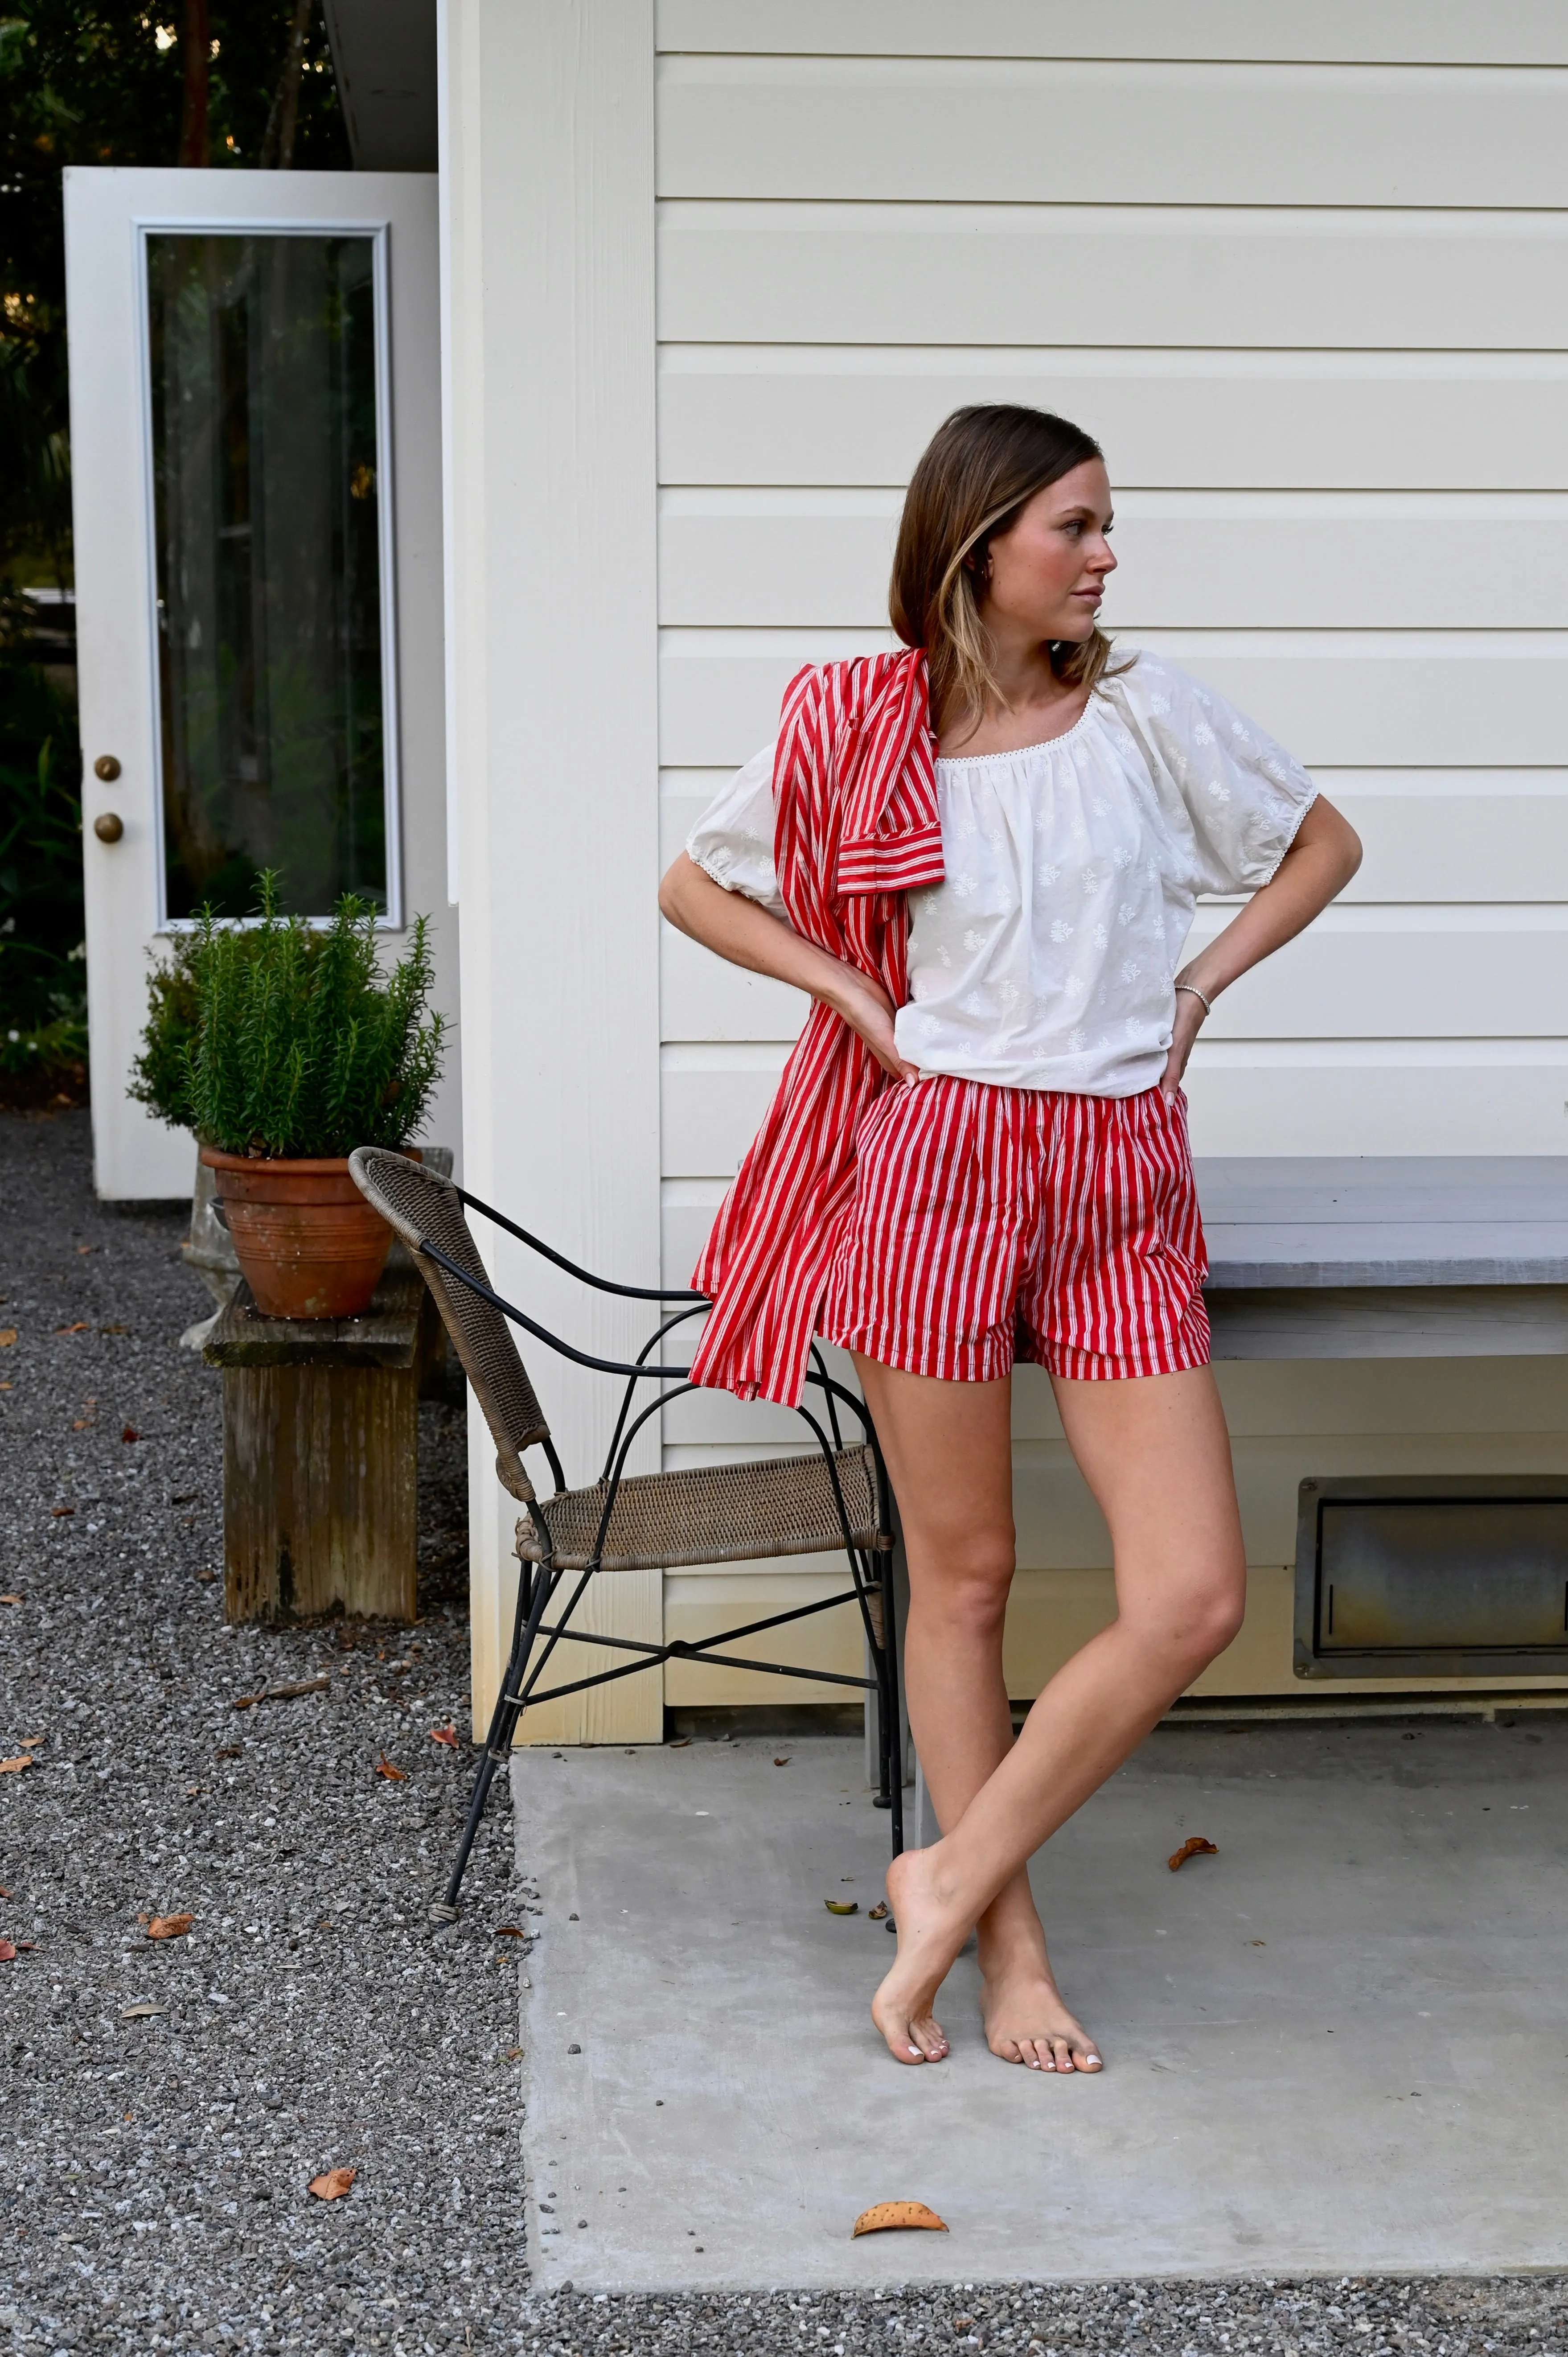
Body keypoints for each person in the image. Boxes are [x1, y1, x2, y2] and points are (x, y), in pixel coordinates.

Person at [658, 404, 1361, 2075]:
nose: (1107, 555)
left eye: (1106, 526)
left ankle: (945, 1869)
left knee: (1187, 1591)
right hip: (939, 1160)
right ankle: (1007, 1950)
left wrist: (1198, 982)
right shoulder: (862, 720)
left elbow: (1323, 841)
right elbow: (695, 884)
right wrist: (844, 987)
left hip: (1120, 1166)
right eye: (1077, 526)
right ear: (977, 546)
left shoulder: (1140, 709)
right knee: (963, 1578)